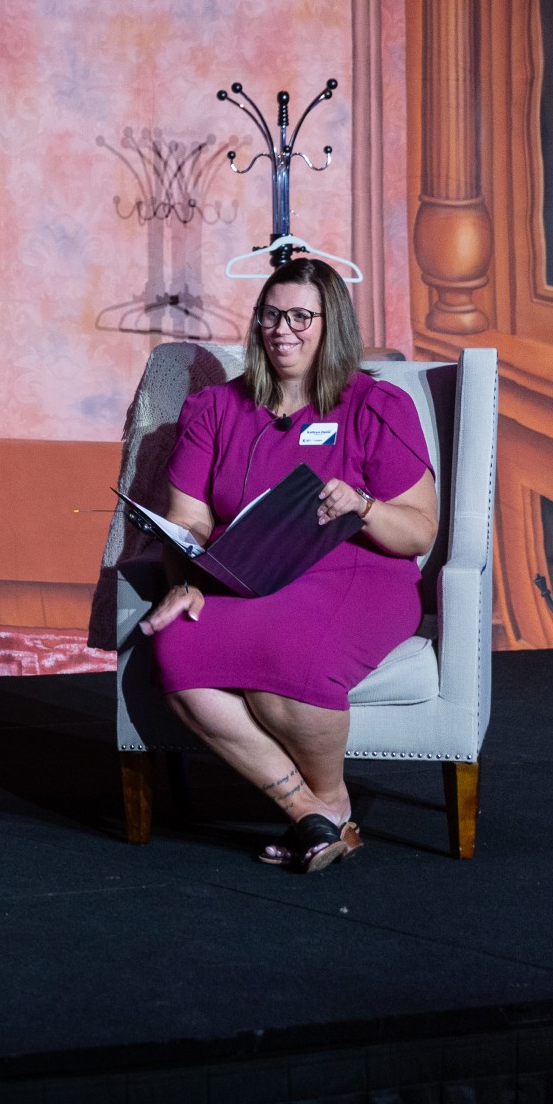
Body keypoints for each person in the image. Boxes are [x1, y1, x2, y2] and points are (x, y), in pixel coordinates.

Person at [138, 258, 439, 872]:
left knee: (290, 657)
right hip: (247, 572)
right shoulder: (216, 409)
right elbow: (188, 519)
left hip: (358, 571)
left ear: (333, 325)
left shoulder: (376, 406)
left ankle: (330, 801)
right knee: (177, 651)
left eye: (302, 316)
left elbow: (419, 530)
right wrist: (185, 580)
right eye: (272, 315)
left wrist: (364, 505)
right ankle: (312, 811)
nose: (284, 330)